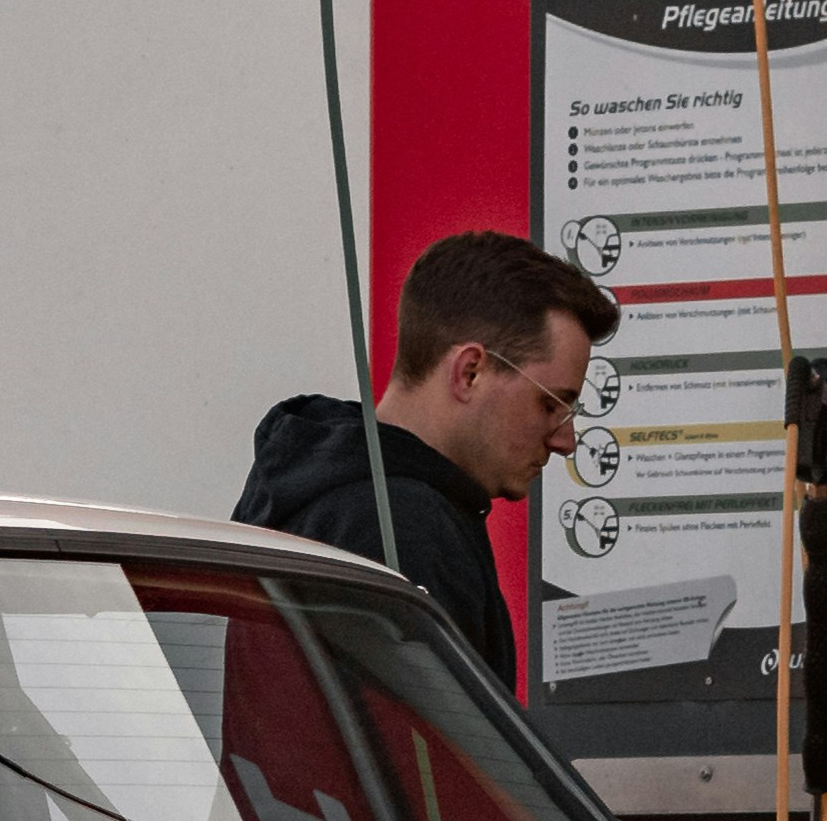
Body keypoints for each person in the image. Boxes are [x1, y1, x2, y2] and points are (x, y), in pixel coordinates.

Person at [235, 230, 619, 690]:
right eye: (551, 404)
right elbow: (439, 758)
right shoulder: (402, 527)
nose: (566, 440)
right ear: (470, 372)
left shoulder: (320, 493)